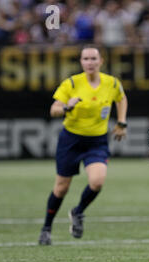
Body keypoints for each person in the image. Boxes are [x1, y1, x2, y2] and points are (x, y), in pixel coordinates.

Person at [38, 45, 128, 245]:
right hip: (71, 141)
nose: (89, 62)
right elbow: (53, 110)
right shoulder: (71, 83)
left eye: (93, 58)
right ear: (81, 62)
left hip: (96, 141)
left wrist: (121, 122)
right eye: (86, 59)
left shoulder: (111, 83)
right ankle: (46, 227)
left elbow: (121, 99)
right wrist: (66, 106)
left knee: (97, 181)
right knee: (61, 188)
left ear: (101, 61)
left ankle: (77, 212)